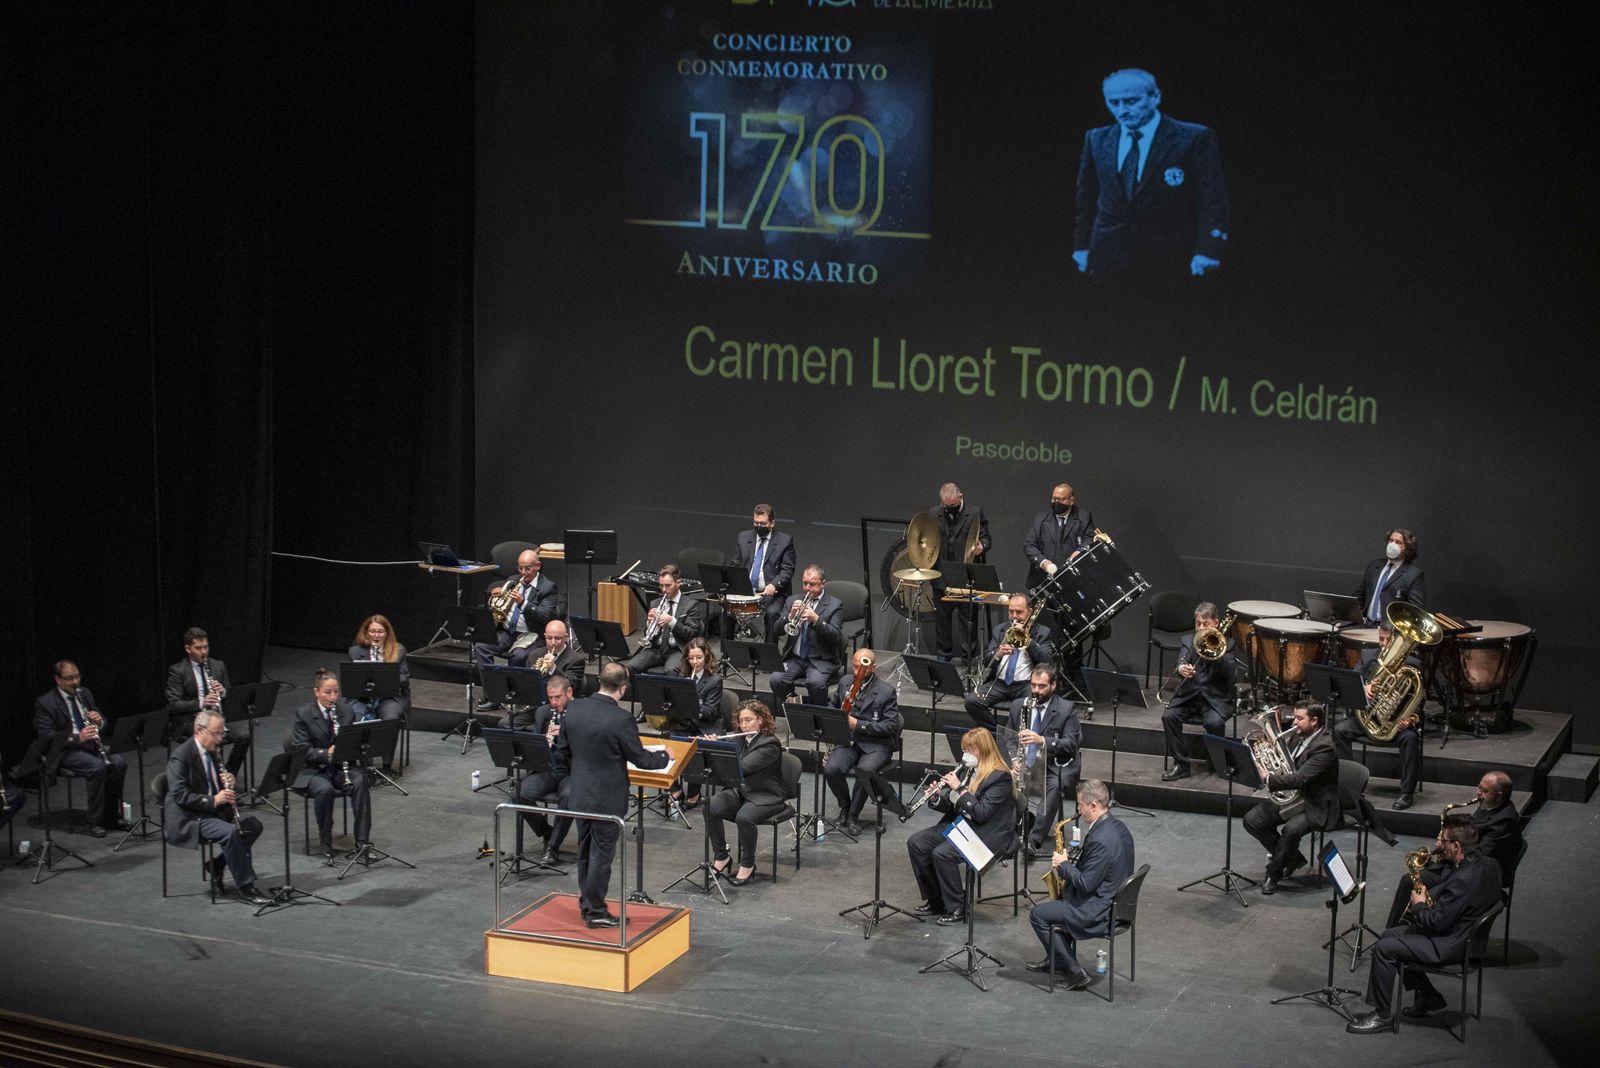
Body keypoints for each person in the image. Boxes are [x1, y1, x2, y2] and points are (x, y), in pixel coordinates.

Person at [1072, 68, 1230, 282]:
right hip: (1108, 256)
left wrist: (1209, 249)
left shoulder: (1193, 138)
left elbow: (1212, 199)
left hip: (1170, 258)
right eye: (1113, 102)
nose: (1122, 110)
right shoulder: (1097, 139)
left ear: (1156, 96)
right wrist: (1082, 245)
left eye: (1131, 101)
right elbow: (1086, 197)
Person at [1346, 821, 1503, 1034]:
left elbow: (1436, 922)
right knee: (1388, 935)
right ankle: (1428, 996)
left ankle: (1381, 1015)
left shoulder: (1464, 879)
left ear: (1457, 846)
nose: (1441, 846)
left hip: (1453, 943)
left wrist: (1419, 905)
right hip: (1464, 934)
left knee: (1384, 949)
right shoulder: (1490, 863)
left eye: (1445, 842)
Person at [554, 663, 670, 928]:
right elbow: (640, 759)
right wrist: (665, 755)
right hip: (606, 798)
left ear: (599, 681)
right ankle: (595, 910)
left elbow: (562, 749)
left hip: (580, 793)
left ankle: (587, 904)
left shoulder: (575, 708)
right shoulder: (621, 720)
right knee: (600, 856)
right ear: (623, 688)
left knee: (585, 850)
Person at [1026, 779, 1135, 988]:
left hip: (1098, 910)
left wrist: (1064, 865)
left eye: (1080, 805)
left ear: (1093, 805)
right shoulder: (1117, 827)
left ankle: (1075, 972)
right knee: (1054, 907)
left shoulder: (1101, 839)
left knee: (1038, 915)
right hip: (1113, 901)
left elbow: (1085, 884)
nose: (1078, 810)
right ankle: (1057, 958)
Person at [1380, 770, 1522, 928]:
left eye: (1485, 791)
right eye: (1479, 788)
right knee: (1410, 879)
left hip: (1475, 874)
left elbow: (1480, 854)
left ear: (1499, 795)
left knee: (1412, 882)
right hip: (1462, 864)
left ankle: (1408, 932)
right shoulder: (1488, 804)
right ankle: (1397, 931)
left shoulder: (1504, 821)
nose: (1479, 793)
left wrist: (1450, 847)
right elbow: (1470, 832)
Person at [906, 727, 1019, 925]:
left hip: (986, 832)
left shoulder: (999, 777)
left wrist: (959, 788)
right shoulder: (968, 771)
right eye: (964, 748)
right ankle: (937, 901)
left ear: (984, 750)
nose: (966, 754)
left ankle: (958, 906)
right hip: (963, 824)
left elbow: (982, 813)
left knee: (942, 853)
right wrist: (935, 799)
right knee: (917, 843)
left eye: (971, 749)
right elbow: (953, 804)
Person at [165, 708, 271, 906]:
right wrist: (215, 800)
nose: (220, 739)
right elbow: (180, 796)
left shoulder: (212, 751)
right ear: (199, 730)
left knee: (253, 825)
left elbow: (210, 781)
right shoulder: (180, 757)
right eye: (216, 733)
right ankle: (247, 888)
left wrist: (226, 782)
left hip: (211, 812)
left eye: (222, 733)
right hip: (189, 817)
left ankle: (217, 864)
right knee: (230, 832)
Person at [1243, 702, 1340, 894]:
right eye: (1295, 717)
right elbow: (1286, 763)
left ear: (1315, 721)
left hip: (1315, 802)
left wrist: (1269, 777)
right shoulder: (1298, 734)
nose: (1295, 723)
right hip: (1293, 797)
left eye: (1300, 718)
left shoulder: (1325, 747)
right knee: (1252, 820)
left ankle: (1274, 873)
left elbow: (1301, 778)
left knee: (1291, 829)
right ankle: (1292, 858)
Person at [33, 660, 129, 837]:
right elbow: (47, 737)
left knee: (118, 762)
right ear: (58, 680)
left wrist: (99, 722)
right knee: (97, 767)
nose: (75, 682)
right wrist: (78, 737)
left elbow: (102, 720)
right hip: (65, 751)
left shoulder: (84, 694)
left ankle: (112, 817)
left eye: (77, 676)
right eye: (69, 678)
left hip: (90, 745)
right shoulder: (45, 703)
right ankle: (95, 822)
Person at [1332, 623, 1423, 808]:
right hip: (1367, 719)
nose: (1382, 644)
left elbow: (1419, 702)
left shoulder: (1413, 665)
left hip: (1395, 724)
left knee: (1411, 738)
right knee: (1339, 730)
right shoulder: (1367, 657)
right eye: (1380, 638)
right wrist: (1362, 688)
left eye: (1387, 640)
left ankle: (1407, 793)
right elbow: (1349, 683)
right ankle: (1349, 785)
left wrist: (1411, 719)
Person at [288, 669, 372, 857]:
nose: (333, 697)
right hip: (313, 770)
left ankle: (363, 843)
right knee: (324, 791)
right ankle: (326, 841)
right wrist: (326, 753)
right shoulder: (304, 714)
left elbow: (353, 741)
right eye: (328, 692)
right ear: (316, 691)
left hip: (341, 767)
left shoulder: (346, 711)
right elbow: (301, 750)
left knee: (360, 782)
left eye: (336, 692)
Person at [705, 699, 788, 886]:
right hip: (742, 791)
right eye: (741, 721)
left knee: (744, 817)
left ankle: (748, 864)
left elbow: (741, 767)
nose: (744, 725)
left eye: (748, 720)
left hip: (766, 795)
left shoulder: (769, 744)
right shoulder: (739, 737)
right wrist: (713, 747)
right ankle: (722, 856)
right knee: (710, 806)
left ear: (761, 720)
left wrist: (718, 750)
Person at [1160, 602, 1242, 781]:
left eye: (1206, 624)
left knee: (1214, 723)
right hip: (1188, 697)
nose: (1202, 628)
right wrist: (1182, 669)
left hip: (1214, 699)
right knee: (1168, 716)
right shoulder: (1189, 640)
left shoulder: (1228, 644)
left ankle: (1217, 762)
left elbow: (1232, 675)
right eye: (1199, 623)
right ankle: (1181, 765)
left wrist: (1217, 653)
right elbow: (1181, 660)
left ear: (1216, 623)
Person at [824, 649, 902, 834]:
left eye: (862, 667)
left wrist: (858, 725)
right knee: (832, 769)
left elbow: (891, 726)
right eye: (855, 666)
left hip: (877, 745)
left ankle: (853, 814)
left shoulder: (886, 691)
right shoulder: (845, 682)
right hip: (849, 741)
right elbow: (832, 706)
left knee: (864, 771)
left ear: (873, 667)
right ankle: (845, 805)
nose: (857, 671)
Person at [1010, 666, 1082, 854]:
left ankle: (1034, 840)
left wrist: (1042, 740)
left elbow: (1070, 744)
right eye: (1033, 685)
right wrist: (1013, 760)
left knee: (1054, 788)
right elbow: (1009, 737)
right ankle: (1003, 831)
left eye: (1042, 686)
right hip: (1025, 762)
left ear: (1053, 686)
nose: (1036, 691)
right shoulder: (1019, 705)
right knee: (998, 776)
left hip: (1055, 764)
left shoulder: (1067, 709)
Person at [963, 593, 1056, 730]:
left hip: (1026, 684)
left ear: (1029, 612)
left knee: (1026, 706)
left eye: (1019, 612)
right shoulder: (1000, 630)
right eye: (1011, 611)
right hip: (1000, 683)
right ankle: (995, 732)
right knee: (971, 701)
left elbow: (1047, 660)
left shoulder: (1042, 632)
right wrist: (997, 654)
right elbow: (986, 659)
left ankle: (1016, 738)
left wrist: (1028, 642)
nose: (1014, 616)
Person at [163, 626, 249, 774]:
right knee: (209, 738)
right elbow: (173, 704)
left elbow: (230, 692)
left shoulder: (217, 665)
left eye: (206, 647)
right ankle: (209, 778)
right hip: (190, 720)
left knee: (244, 736)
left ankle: (228, 775)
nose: (203, 652)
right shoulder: (178, 670)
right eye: (198, 648)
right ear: (188, 649)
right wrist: (202, 702)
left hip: (215, 718)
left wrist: (223, 692)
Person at [514, 674, 576, 866]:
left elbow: (587, 747)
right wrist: (543, 744)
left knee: (569, 799)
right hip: (548, 769)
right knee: (519, 793)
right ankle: (546, 831)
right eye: (551, 698)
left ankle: (553, 847)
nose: (554, 702)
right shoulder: (543, 712)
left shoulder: (580, 713)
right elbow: (533, 746)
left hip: (571, 771)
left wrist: (565, 733)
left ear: (569, 693)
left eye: (557, 697)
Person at [474, 548, 562, 678]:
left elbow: (545, 616)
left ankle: (514, 692)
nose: (523, 572)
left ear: (537, 566)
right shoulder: (513, 579)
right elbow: (499, 605)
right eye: (520, 568)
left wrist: (523, 603)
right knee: (481, 647)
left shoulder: (548, 587)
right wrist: (494, 597)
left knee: (518, 656)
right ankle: (492, 687)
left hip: (531, 634)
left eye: (528, 568)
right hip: (507, 631)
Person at [930, 483, 991, 663]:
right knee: (942, 620)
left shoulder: (975, 513)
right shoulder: (934, 513)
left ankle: (969, 658)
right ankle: (943, 655)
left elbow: (987, 538)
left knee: (968, 620)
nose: (949, 509)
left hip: (965, 573)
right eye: (945, 506)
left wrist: (983, 547)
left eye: (953, 505)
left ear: (961, 497)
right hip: (941, 573)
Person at [769, 565, 846, 708]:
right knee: (776, 679)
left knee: (816, 684)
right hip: (795, 659)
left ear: (823, 584)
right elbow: (776, 630)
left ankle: (819, 715)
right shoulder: (792, 600)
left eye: (813, 584)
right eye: (805, 583)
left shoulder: (834, 605)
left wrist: (816, 619)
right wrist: (790, 616)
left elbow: (836, 637)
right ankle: (796, 707)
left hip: (820, 660)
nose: (807, 588)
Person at [348, 613, 410, 772]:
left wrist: (385, 676)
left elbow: (404, 678)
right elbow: (351, 679)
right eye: (373, 631)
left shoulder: (398, 650)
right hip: (363, 697)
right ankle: (364, 764)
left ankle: (386, 765)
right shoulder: (355, 651)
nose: (376, 636)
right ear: (366, 633)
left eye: (380, 632)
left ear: (387, 633)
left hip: (389, 696)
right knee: (353, 716)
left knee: (391, 718)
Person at [728, 503, 796, 640]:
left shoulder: (785, 541)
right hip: (746, 590)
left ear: (772, 523)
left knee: (772, 614)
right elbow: (736, 563)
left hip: (774, 593)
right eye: (756, 523)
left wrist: (774, 584)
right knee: (726, 611)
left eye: (763, 523)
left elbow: (787, 569)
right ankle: (728, 652)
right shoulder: (743, 537)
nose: (759, 526)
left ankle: (769, 654)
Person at [623, 563, 705, 676]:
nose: (664, 590)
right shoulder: (655, 603)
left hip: (678, 649)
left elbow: (691, 634)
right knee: (630, 667)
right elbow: (649, 634)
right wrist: (650, 622)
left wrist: (672, 621)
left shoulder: (691, 605)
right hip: (657, 649)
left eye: (668, 585)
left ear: (678, 583)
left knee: (670, 670)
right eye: (661, 586)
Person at [671, 637, 724, 806]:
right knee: (668, 745)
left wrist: (692, 700)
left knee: (695, 747)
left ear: (706, 657)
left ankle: (694, 793)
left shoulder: (714, 680)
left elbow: (710, 712)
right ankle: (675, 790)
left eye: (699, 657)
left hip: (705, 726)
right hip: (685, 723)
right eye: (691, 658)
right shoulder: (682, 675)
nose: (695, 662)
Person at [1355, 528, 1426, 625]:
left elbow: (1416, 610)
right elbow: (1360, 595)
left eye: (1398, 542)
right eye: (1391, 540)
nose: (1392, 545)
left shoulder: (1413, 574)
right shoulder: (1374, 566)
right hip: (1365, 624)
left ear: (1407, 548)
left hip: (1389, 630)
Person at [524, 618, 587, 695]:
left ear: (566, 637)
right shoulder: (534, 654)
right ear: (545, 636)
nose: (553, 643)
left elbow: (571, 685)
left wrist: (553, 668)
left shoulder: (576, 659)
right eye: (549, 638)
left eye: (557, 638)